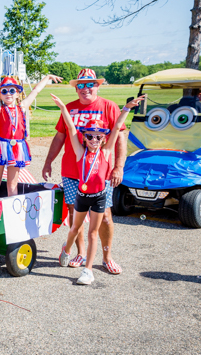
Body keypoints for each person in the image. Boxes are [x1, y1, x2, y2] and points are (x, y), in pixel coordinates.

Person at [52, 93, 147, 285]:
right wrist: (63, 107)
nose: (94, 139)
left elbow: (117, 126)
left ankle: (88, 270)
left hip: (99, 197)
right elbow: (70, 128)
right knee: (74, 228)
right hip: (82, 196)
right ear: (84, 138)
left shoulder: (105, 151)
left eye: (98, 136)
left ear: (104, 138)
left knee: (92, 232)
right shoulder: (80, 151)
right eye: (89, 136)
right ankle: (67, 249)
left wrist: (127, 108)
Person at [41, 69, 127, 273]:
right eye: (80, 85)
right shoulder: (69, 108)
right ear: (76, 88)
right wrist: (48, 162)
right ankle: (80, 252)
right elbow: (60, 137)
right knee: (75, 214)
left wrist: (119, 167)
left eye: (90, 84)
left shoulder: (109, 107)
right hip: (72, 171)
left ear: (97, 86)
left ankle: (107, 257)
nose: (85, 89)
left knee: (105, 215)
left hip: (101, 173)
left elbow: (120, 137)